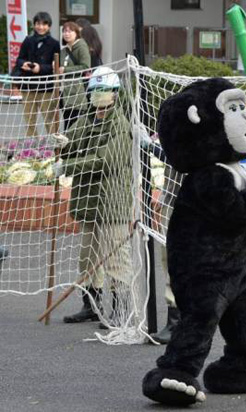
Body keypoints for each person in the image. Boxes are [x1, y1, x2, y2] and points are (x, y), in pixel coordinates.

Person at [56, 67, 134, 329]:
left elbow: (106, 161)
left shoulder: (120, 125)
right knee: (88, 257)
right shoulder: (85, 120)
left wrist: (68, 165)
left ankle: (121, 309)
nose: (98, 96)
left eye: (103, 90)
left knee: (115, 258)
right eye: (94, 91)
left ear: (114, 94)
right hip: (88, 200)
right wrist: (63, 144)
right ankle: (91, 304)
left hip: (113, 201)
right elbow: (71, 146)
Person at [135, 127, 182, 344]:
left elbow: (181, 157)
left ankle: (178, 322)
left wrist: (151, 146)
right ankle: (176, 319)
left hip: (190, 206)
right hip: (174, 201)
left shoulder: (200, 130)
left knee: (178, 262)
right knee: (168, 259)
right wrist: (165, 193)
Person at [13, 11, 61, 139]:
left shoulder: (54, 43)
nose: (41, 27)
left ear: (49, 26)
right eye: (38, 24)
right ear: (34, 25)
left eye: (44, 24)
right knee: (29, 119)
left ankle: (54, 145)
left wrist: (40, 68)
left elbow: (56, 66)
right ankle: (32, 146)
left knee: (49, 118)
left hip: (46, 87)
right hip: (28, 86)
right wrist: (24, 63)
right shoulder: (28, 40)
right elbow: (19, 59)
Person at [59, 21, 91, 131]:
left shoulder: (81, 46)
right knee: (67, 124)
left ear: (76, 33)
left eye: (70, 31)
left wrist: (65, 70)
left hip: (78, 93)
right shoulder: (64, 50)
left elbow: (86, 66)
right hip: (65, 93)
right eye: (64, 31)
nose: (66, 34)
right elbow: (60, 67)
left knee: (76, 128)